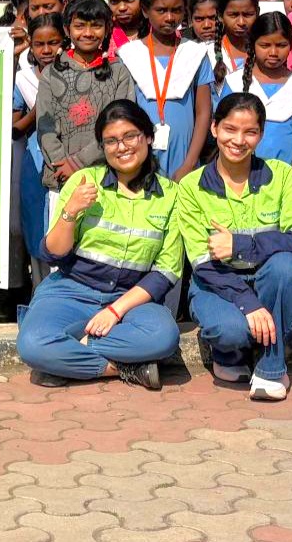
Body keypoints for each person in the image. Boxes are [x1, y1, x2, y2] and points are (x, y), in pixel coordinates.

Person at [17, 101, 184, 389]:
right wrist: (70, 211)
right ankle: (125, 368)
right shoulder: (84, 181)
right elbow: (53, 252)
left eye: (130, 136)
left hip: (131, 299)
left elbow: (166, 271)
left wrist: (115, 311)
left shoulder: (170, 195)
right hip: (72, 290)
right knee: (32, 344)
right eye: (111, 141)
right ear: (103, 147)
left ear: (148, 137)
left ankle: (68, 354)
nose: (122, 147)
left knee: (164, 337)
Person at [177, 94, 292, 401]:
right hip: (217, 283)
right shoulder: (190, 187)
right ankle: (230, 353)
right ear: (214, 128)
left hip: (271, 281)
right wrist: (249, 304)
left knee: (285, 266)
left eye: (250, 132)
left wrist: (241, 246)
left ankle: (271, 367)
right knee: (231, 331)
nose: (239, 141)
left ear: (261, 134)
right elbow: (202, 263)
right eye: (230, 129)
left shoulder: (283, 176)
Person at [36, 0, 146, 193]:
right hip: (62, 178)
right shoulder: (51, 74)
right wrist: (64, 165)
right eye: (79, 26)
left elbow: (120, 125)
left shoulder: (118, 72)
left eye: (96, 26)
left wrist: (78, 162)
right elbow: (45, 128)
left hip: (107, 177)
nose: (87, 33)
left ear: (107, 29)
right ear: (67, 29)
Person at [117, 0, 214, 179]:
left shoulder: (195, 53)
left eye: (177, 10)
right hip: (138, 159)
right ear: (145, 11)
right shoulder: (129, 54)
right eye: (161, 10)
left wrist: (189, 163)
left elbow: (204, 112)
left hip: (185, 158)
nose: (170, 18)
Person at [216, 12, 292, 171]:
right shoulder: (234, 83)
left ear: (291, 45)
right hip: (238, 173)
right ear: (253, 44)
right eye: (265, 45)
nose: (273, 53)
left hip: (285, 174)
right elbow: (223, 130)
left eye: (281, 45)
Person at [13, 12, 67, 284]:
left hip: (69, 160)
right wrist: (39, 107)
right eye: (39, 44)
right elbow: (15, 128)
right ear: (31, 47)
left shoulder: (76, 75)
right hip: (35, 162)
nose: (46, 50)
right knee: (36, 225)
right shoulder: (23, 80)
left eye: (53, 42)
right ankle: (39, 289)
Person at [211, 0, 258, 78]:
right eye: (233, 15)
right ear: (220, 16)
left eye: (248, 15)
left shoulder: (265, 49)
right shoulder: (208, 53)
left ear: (257, 13)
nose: (241, 22)